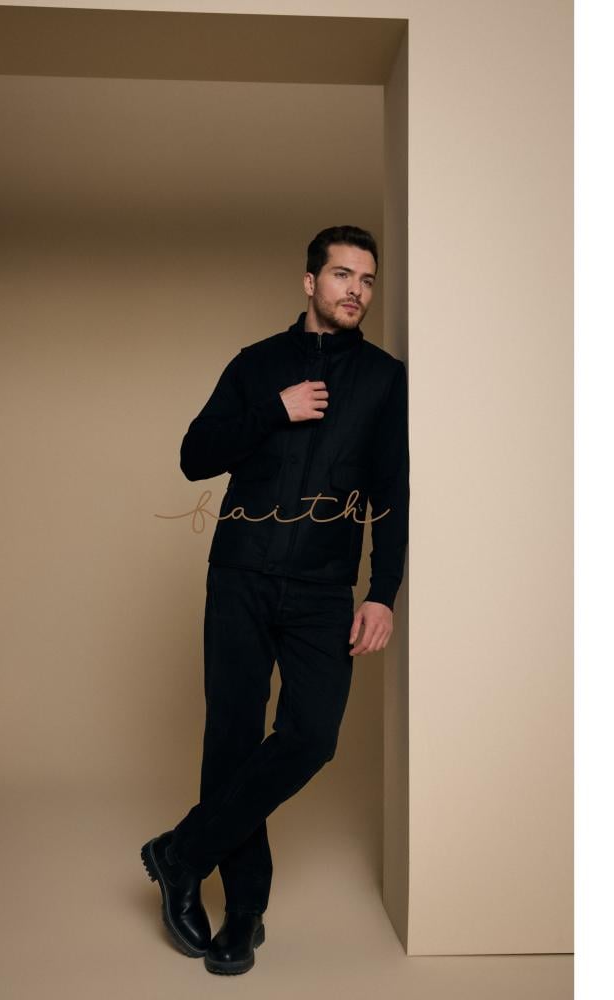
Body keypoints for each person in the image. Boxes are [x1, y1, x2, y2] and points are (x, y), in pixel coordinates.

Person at [141, 225, 409, 976]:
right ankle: (244, 914)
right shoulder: (256, 364)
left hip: (324, 588)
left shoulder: (385, 380)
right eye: (342, 275)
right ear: (310, 282)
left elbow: (392, 493)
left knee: (310, 736)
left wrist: (381, 593)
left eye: (366, 279)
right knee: (231, 738)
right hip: (240, 576)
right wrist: (272, 410)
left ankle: (181, 853)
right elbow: (194, 457)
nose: (356, 290)